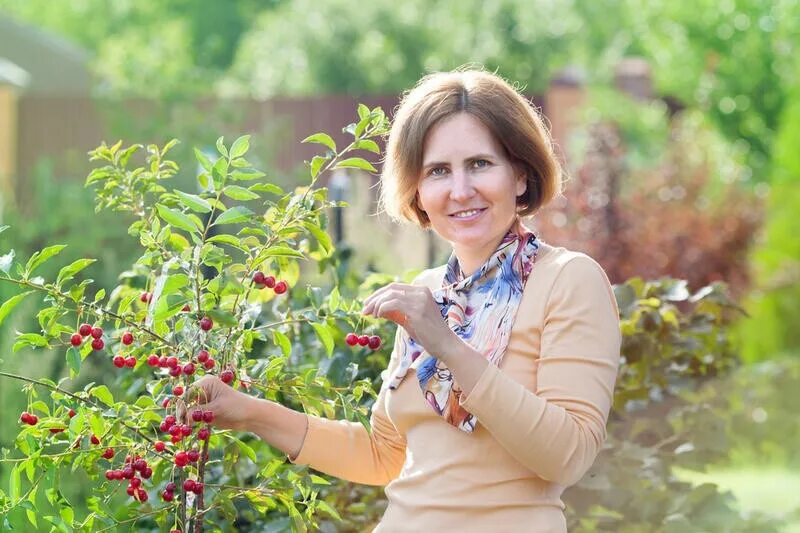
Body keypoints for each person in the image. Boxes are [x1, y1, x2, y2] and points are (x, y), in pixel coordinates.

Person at [189, 68, 621, 532]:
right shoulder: (430, 292)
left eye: (480, 163)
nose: (460, 190)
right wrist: (248, 411)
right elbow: (382, 455)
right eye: (438, 171)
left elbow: (568, 456)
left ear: (520, 175)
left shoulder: (568, 281)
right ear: (418, 191)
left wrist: (446, 344)